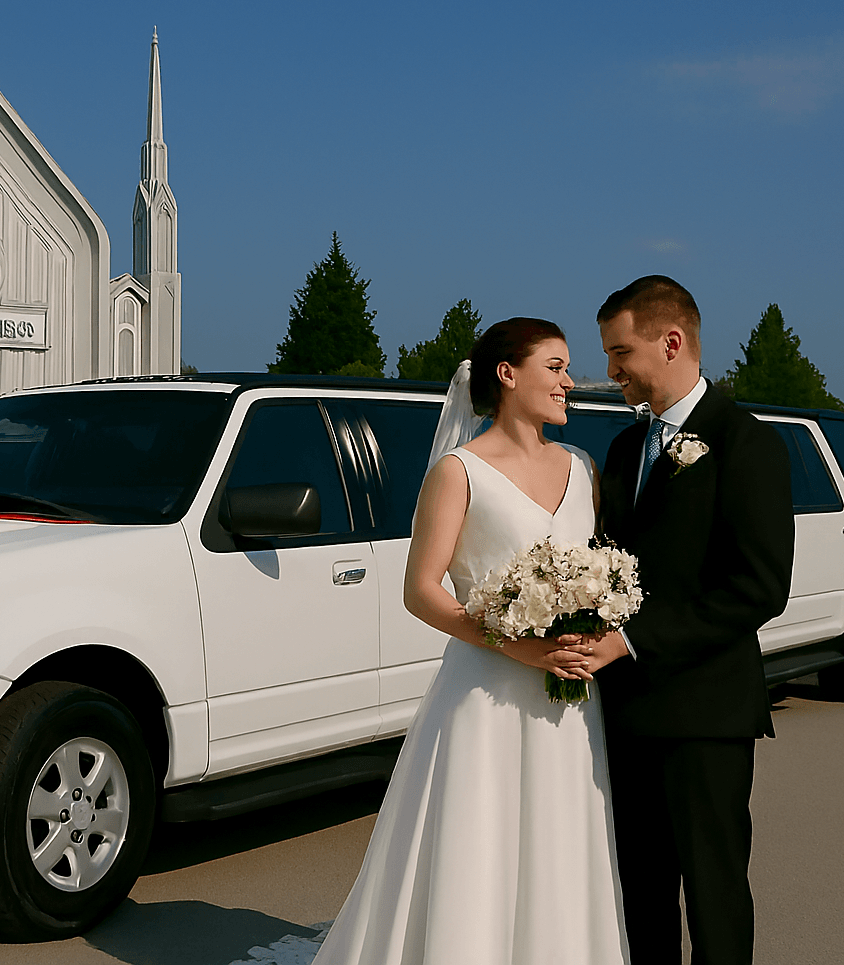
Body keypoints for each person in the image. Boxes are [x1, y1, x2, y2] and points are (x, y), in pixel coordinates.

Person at [312, 318, 630, 965]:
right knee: (480, 842)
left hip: (568, 698)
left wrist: (598, 624)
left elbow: (596, 567)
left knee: (559, 839)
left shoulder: (583, 467)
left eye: (568, 369)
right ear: (508, 375)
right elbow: (421, 589)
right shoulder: (460, 472)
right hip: (485, 694)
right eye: (556, 366)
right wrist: (516, 646)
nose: (570, 382)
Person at [577, 275, 794, 965]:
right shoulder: (619, 450)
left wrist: (631, 642)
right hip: (625, 717)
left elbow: (758, 587)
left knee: (713, 893)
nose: (609, 371)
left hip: (704, 716)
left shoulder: (743, 442)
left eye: (620, 353)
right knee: (638, 894)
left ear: (671, 343)